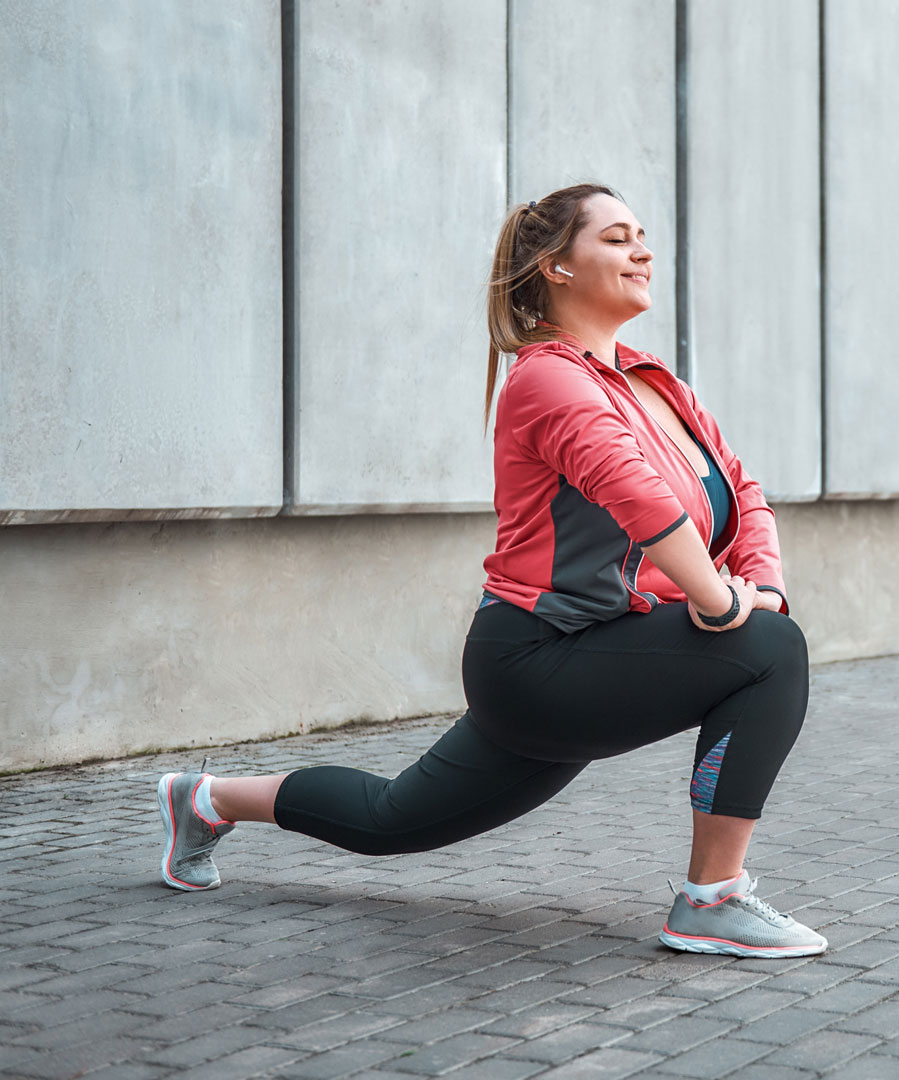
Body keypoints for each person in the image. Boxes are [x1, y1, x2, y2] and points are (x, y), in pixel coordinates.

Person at [157, 183, 827, 958]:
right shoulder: (545, 378)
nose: (642, 250)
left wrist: (764, 587)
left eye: (642, 233)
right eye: (616, 237)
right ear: (558, 267)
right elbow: (634, 495)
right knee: (771, 655)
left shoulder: (652, 381)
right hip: (536, 659)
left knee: (390, 820)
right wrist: (719, 604)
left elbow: (740, 487)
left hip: (603, 648)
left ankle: (204, 801)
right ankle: (712, 900)